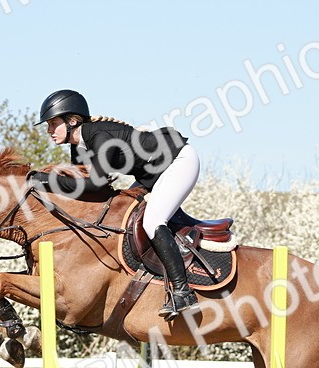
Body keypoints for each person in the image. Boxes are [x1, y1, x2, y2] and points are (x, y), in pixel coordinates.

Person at [28, 89, 199, 319]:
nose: (49, 131)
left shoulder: (100, 137)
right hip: (152, 173)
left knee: (152, 221)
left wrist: (46, 180)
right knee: (123, 217)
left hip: (177, 161)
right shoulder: (78, 146)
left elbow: (95, 185)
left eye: (52, 124)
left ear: (72, 121)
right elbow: (81, 191)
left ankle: (182, 291)